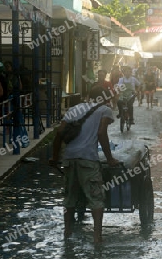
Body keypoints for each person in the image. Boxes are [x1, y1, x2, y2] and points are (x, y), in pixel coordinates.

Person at [49, 85, 119, 244]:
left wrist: (54, 158)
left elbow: (59, 133)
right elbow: (101, 133)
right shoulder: (105, 110)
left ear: (88, 95)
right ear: (106, 98)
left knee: (69, 198)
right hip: (88, 159)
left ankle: (67, 232)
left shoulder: (74, 109)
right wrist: (110, 159)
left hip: (69, 158)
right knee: (96, 197)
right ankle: (97, 237)